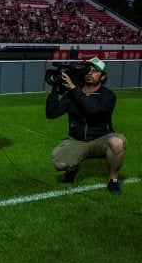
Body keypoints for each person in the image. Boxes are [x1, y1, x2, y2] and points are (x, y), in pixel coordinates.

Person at [46, 57, 126, 195]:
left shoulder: (108, 95)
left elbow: (91, 110)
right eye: (88, 70)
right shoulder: (72, 94)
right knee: (59, 164)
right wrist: (55, 89)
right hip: (77, 140)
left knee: (117, 142)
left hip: (101, 138)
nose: (90, 73)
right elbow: (51, 113)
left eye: (95, 71)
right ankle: (72, 169)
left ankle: (113, 180)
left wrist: (73, 88)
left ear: (102, 77)